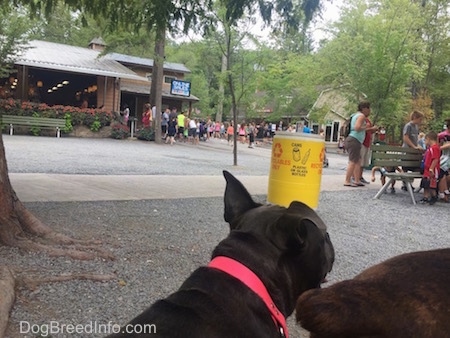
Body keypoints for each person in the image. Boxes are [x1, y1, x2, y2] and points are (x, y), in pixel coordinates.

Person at [344, 101, 371, 187]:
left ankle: (357, 179)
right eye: (368, 108)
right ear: (364, 109)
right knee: (352, 161)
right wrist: (365, 127)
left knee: (358, 161)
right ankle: (347, 180)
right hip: (354, 139)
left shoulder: (354, 115)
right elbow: (357, 127)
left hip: (354, 140)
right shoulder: (361, 116)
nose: (369, 111)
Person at [401, 110, 424, 191]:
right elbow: (406, 138)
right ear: (415, 118)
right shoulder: (408, 126)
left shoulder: (416, 127)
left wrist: (418, 146)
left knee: (413, 166)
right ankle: (405, 183)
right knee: (406, 167)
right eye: (420, 119)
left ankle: (408, 183)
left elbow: (416, 139)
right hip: (407, 150)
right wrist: (413, 146)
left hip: (413, 150)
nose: (421, 121)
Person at [419, 131, 440, 205]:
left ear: (429, 139)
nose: (424, 142)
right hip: (426, 169)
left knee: (431, 184)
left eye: (425, 140)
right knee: (425, 183)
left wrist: (431, 168)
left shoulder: (435, 148)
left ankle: (434, 196)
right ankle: (425, 197)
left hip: (432, 170)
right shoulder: (430, 148)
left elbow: (435, 159)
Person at [358, 112, 378, 184]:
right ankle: (356, 176)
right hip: (362, 142)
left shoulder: (368, 120)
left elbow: (369, 131)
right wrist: (371, 128)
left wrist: (374, 129)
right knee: (360, 161)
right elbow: (361, 129)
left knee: (364, 162)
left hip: (367, 143)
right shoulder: (361, 119)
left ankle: (360, 176)